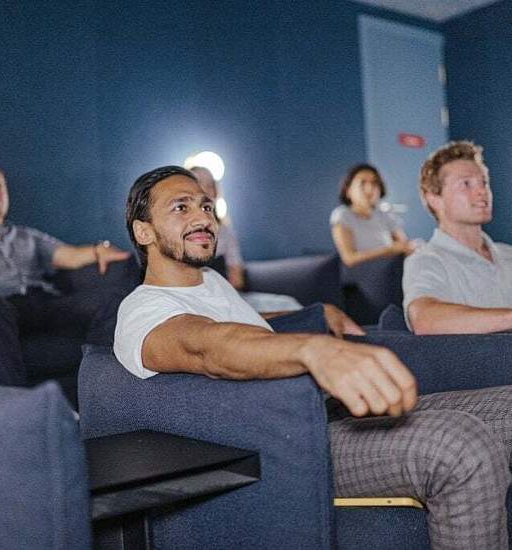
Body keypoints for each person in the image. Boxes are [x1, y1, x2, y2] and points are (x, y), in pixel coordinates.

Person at [114, 165, 512, 549]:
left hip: (326, 411)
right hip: (290, 445)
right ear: (143, 231)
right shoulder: (142, 310)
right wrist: (314, 349)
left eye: (205, 206)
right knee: (460, 447)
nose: (203, 217)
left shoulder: (210, 282)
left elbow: (237, 322)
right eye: (181, 207)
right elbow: (205, 345)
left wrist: (316, 313)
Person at [0, 161, 130, 384]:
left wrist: (98, 250)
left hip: (42, 302)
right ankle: (16, 398)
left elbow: (68, 255)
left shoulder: (27, 236)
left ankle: (102, 382)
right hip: (0, 309)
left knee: (111, 301)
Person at [403, 140, 512, 334]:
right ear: (434, 199)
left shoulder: (508, 253)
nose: (482, 191)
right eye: (466, 184)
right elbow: (424, 319)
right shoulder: (427, 260)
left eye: (484, 182)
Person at [189, 165, 302, 313]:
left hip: (228, 297)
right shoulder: (179, 233)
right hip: (198, 301)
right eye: (198, 184)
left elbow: (237, 279)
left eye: (209, 185)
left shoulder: (225, 231)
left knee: (288, 305)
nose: (203, 190)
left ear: (215, 192)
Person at [331, 163, 415, 267]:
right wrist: (388, 251)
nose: (369, 188)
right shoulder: (342, 215)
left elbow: (404, 245)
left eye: (375, 183)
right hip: (364, 272)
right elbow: (349, 259)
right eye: (362, 183)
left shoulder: (385, 215)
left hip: (392, 268)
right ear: (348, 191)